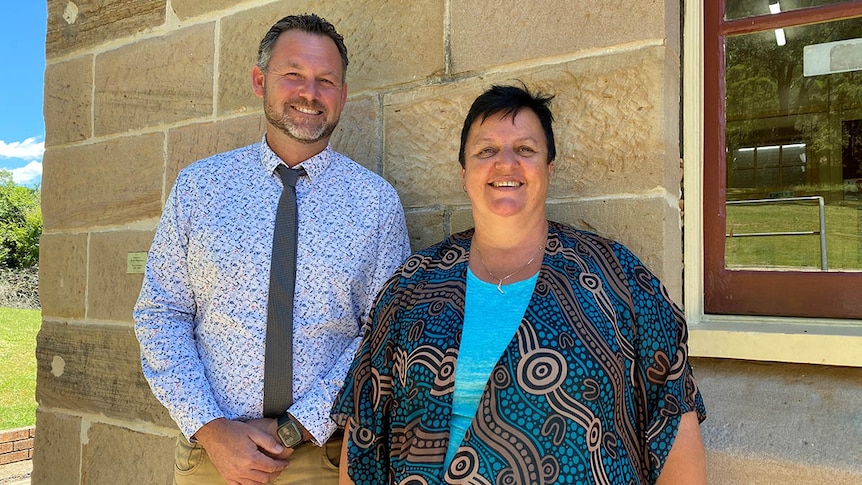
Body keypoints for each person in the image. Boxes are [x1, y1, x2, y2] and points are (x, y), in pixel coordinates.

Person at [332, 84, 707, 484]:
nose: (505, 164)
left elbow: (673, 421)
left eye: (525, 150)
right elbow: (364, 438)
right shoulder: (412, 287)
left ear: (549, 167)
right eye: (486, 151)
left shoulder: (617, 278)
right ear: (464, 173)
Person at [134, 14, 411, 485]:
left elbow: (384, 333)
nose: (310, 92)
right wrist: (210, 426)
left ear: (342, 95)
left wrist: (295, 426)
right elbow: (161, 314)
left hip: (321, 458)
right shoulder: (200, 188)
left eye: (326, 80)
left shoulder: (375, 202)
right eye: (293, 75)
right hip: (211, 455)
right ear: (260, 81)